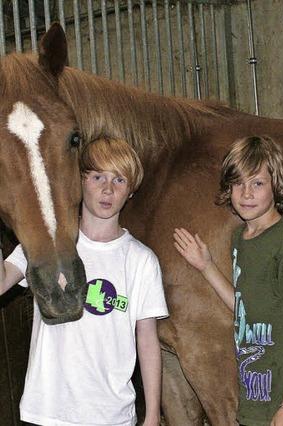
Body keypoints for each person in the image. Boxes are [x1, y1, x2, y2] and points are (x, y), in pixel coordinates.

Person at [0, 137, 168, 426]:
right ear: (80, 181)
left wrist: (152, 414)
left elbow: (148, 339)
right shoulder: (47, 242)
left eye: (119, 179)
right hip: (47, 411)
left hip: (112, 415)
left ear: (130, 192)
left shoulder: (141, 260)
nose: (107, 189)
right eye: (97, 176)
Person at [173, 135, 283, 426]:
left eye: (257, 183)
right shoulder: (241, 239)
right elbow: (244, 310)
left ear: (276, 185)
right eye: (238, 184)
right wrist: (207, 267)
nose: (246, 193)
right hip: (255, 399)